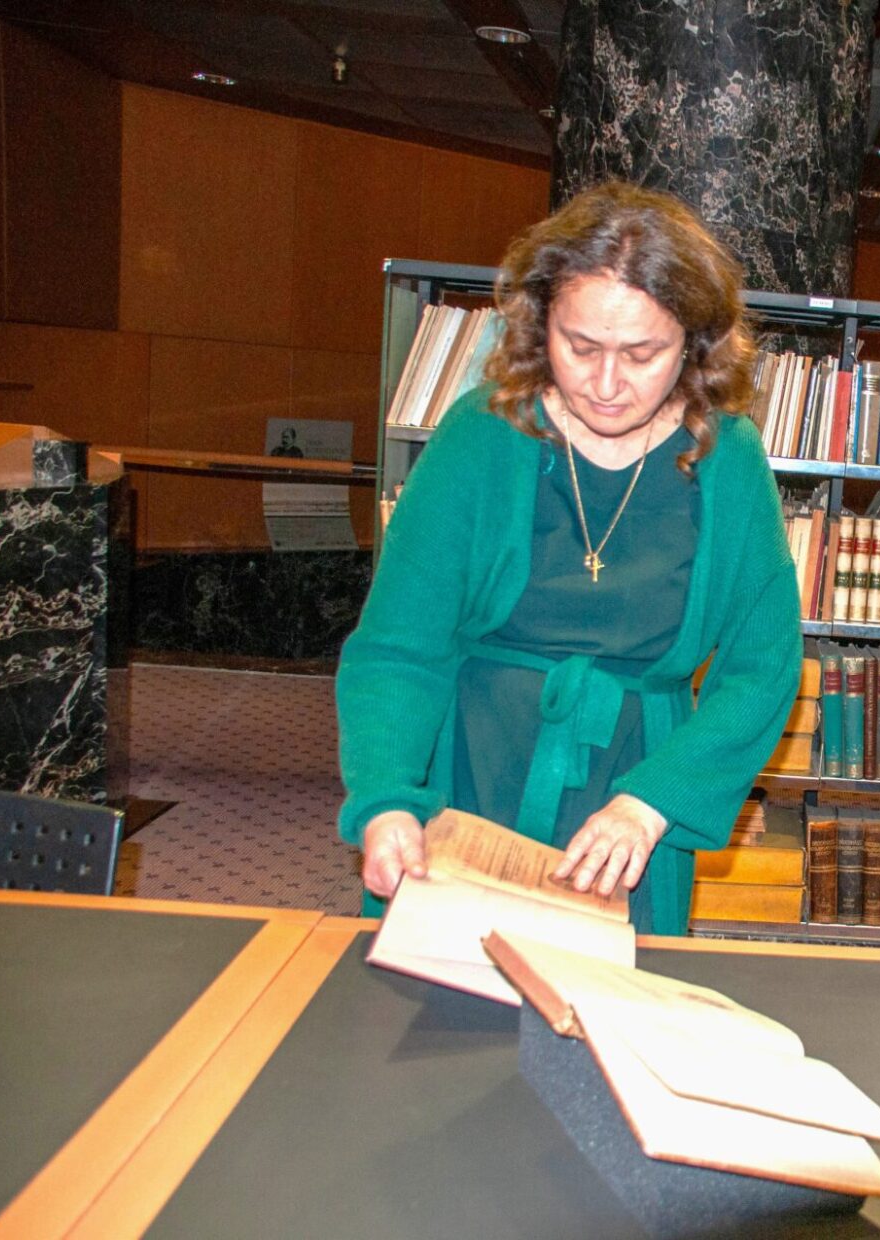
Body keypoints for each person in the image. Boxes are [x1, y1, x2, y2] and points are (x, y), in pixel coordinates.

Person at [335, 181, 802, 933]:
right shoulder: (482, 437)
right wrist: (387, 797)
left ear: (694, 344)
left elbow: (760, 666)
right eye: (579, 347)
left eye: (643, 353)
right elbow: (398, 647)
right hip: (470, 768)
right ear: (537, 325)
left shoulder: (727, 457)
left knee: (608, 1027)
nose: (607, 385)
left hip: (637, 780)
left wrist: (655, 802)